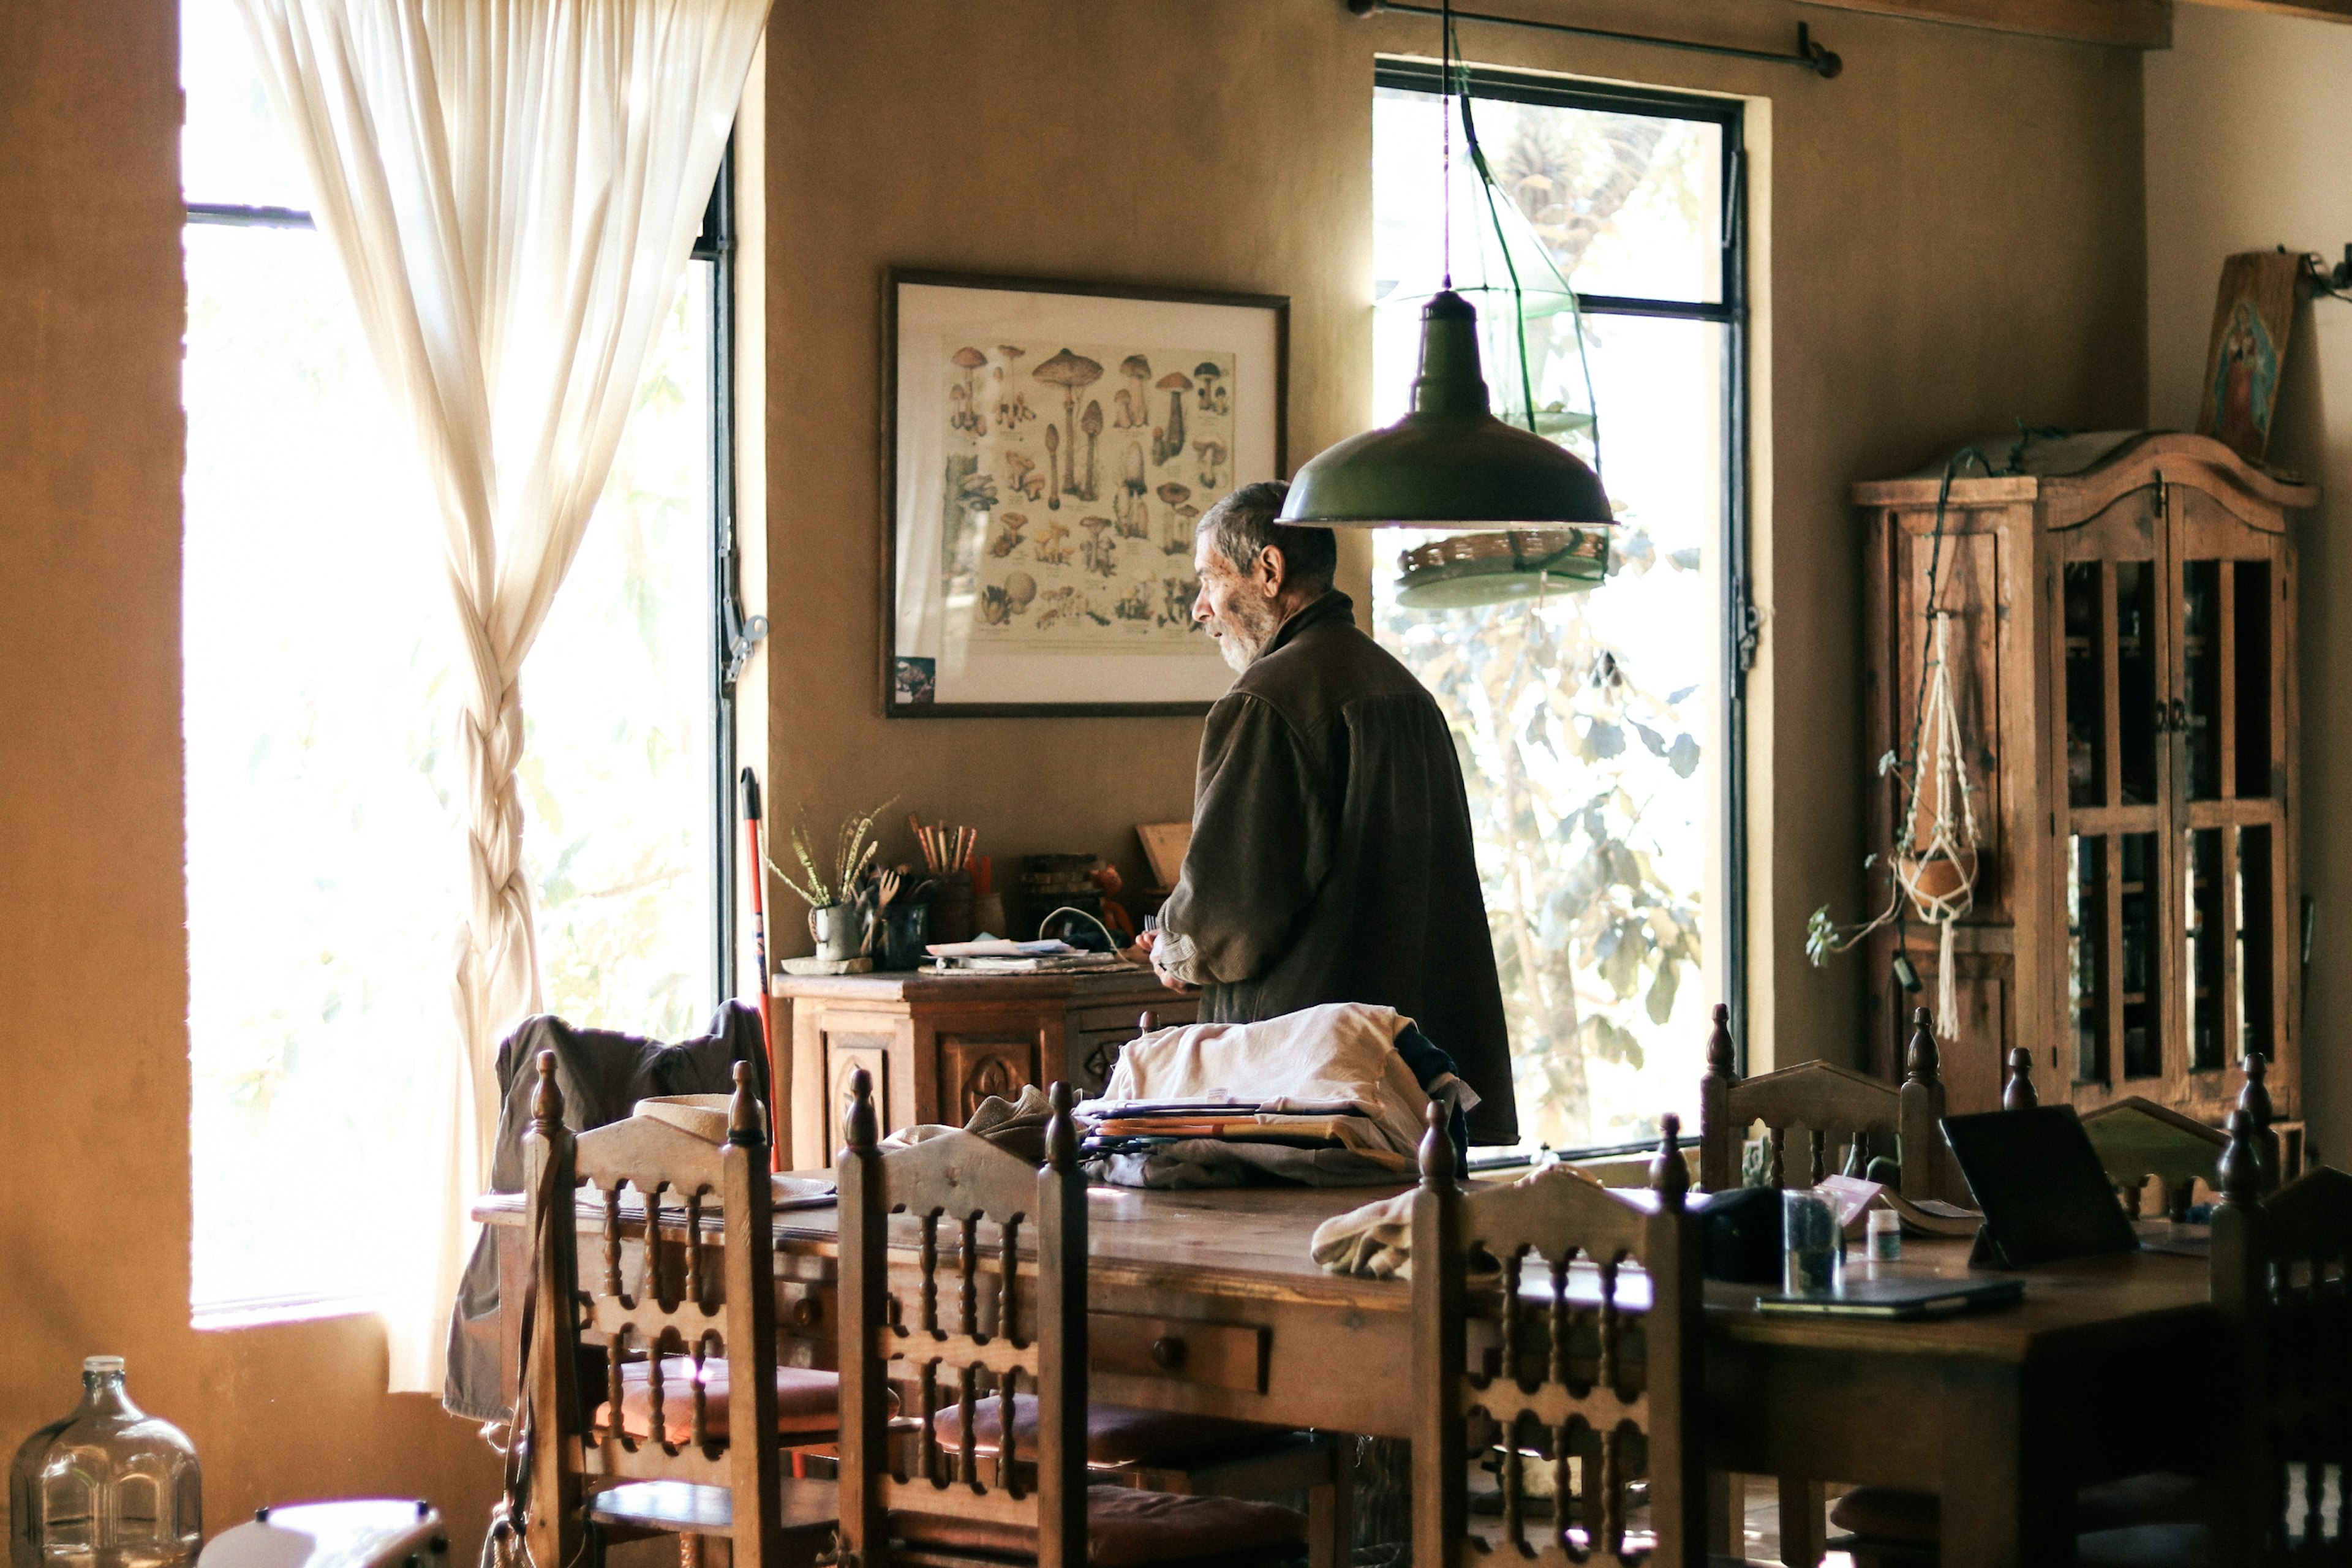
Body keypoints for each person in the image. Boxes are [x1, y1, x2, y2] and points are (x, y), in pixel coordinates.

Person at [1137, 480, 1518, 1145]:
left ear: (1269, 570)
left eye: (1209, 579)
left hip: (1304, 1093)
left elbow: (1231, 912)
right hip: (1417, 1087)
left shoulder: (1266, 700)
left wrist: (1175, 944)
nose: (1201, 608)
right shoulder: (1403, 689)